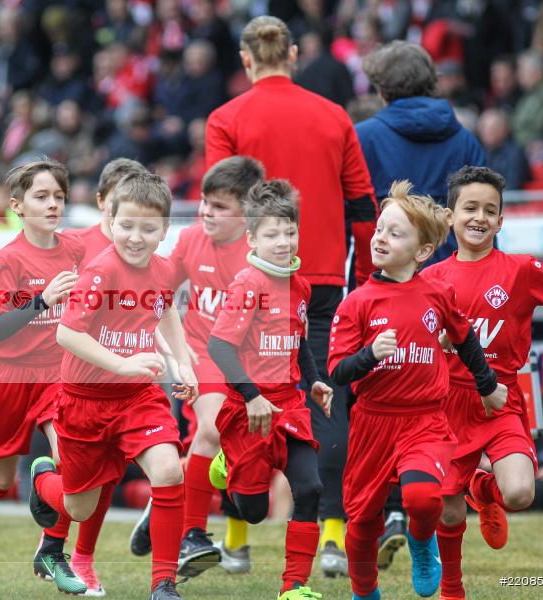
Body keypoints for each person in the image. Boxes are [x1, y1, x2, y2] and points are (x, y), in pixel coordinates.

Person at [205, 15, 378, 577]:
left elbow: (222, 207)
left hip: (250, 277)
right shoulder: (334, 116)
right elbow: (362, 207)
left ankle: (236, 537)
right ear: (296, 54)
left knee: (243, 397)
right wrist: (365, 280)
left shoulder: (226, 117)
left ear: (245, 58)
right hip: (322, 277)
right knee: (323, 395)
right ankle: (331, 536)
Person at [327, 180, 508, 600]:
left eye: (395, 232)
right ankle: (365, 591)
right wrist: (370, 354)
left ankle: (422, 543)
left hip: (424, 419)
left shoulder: (436, 293)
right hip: (373, 423)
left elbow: (464, 339)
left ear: (423, 251)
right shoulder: (356, 302)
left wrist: (487, 384)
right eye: (378, 230)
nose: (380, 238)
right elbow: (338, 371)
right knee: (362, 526)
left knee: (425, 499)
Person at [27, 171, 198, 600]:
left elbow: (167, 312)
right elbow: (67, 334)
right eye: (126, 226)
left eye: (147, 228)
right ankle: (43, 479)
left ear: (164, 230)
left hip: (138, 397)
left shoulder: (163, 270)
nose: (135, 237)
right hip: (84, 400)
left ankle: (163, 584)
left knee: (169, 470)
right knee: (76, 506)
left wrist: (182, 361)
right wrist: (122, 364)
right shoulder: (102, 270)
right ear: (111, 220)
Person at [420, 166, 543, 600]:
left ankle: (483, 487)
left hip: (501, 398)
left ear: (501, 221)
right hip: (446, 405)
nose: (479, 217)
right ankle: (453, 588)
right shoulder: (431, 279)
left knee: (522, 492)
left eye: (490, 210)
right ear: (450, 216)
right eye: (470, 208)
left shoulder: (521, 269)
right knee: (446, 513)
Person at [0, 160, 90, 600]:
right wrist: (43, 299)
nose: (53, 204)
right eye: (41, 196)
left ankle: (53, 549)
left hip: (59, 372)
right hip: (12, 376)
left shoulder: (75, 248)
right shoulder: (7, 258)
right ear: (16, 205)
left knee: (73, 463)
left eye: (58, 197)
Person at [206, 179, 333, 600]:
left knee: (311, 488)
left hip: (290, 407)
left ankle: (293, 587)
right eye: (272, 234)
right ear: (252, 239)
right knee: (255, 513)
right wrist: (251, 395)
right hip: (248, 408)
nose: (283, 242)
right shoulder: (248, 284)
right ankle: (227, 462)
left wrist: (313, 380)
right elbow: (219, 347)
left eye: (290, 232)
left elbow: (298, 341)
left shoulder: (301, 286)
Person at [163, 156, 266, 578]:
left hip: (250, 364)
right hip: (202, 356)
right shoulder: (189, 239)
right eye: (205, 202)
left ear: (248, 213)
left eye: (220, 206)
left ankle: (166, 495)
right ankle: (192, 535)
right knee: (210, 429)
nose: (206, 211)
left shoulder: (263, 250)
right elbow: (157, 289)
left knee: (245, 460)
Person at [356, 41, 485, 267]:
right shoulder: (465, 140)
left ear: (381, 89)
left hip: (384, 277)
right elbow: (483, 217)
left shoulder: (362, 138)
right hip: (452, 278)